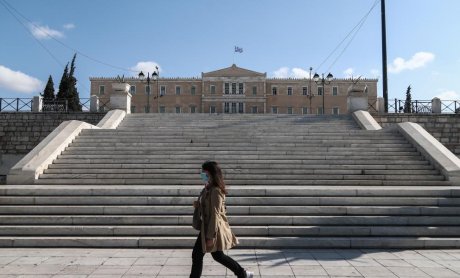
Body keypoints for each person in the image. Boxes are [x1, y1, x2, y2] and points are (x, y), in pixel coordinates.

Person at [190, 161, 253, 278]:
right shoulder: (209, 188)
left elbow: (215, 214)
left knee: (198, 255)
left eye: (205, 172)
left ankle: (242, 273)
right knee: (216, 256)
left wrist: (211, 236)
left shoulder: (216, 191)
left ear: (212, 174)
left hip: (212, 230)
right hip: (207, 227)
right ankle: (243, 274)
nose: (202, 174)